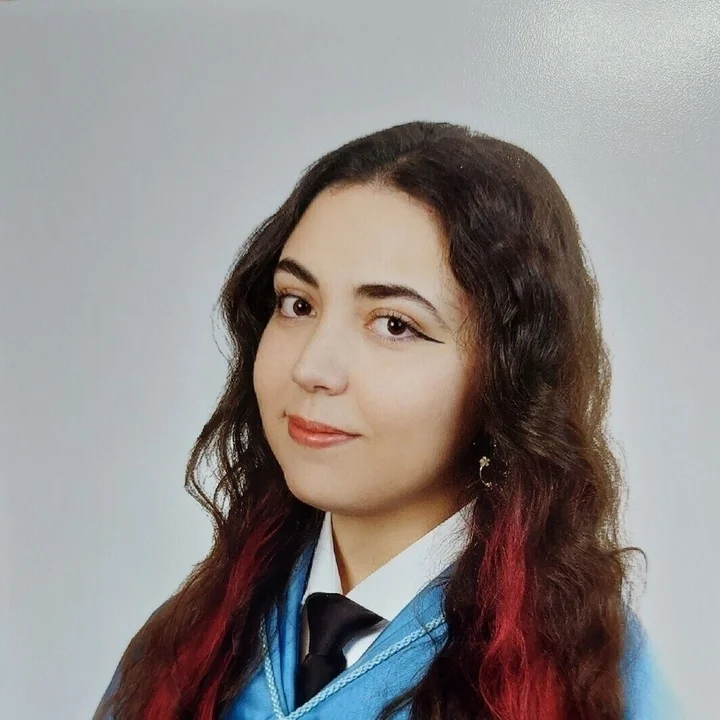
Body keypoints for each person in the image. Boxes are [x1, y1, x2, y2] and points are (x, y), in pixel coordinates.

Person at [94, 121, 682, 719]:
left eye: (394, 324)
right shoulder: (194, 646)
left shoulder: (589, 683)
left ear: (507, 374)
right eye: (297, 304)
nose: (312, 367)